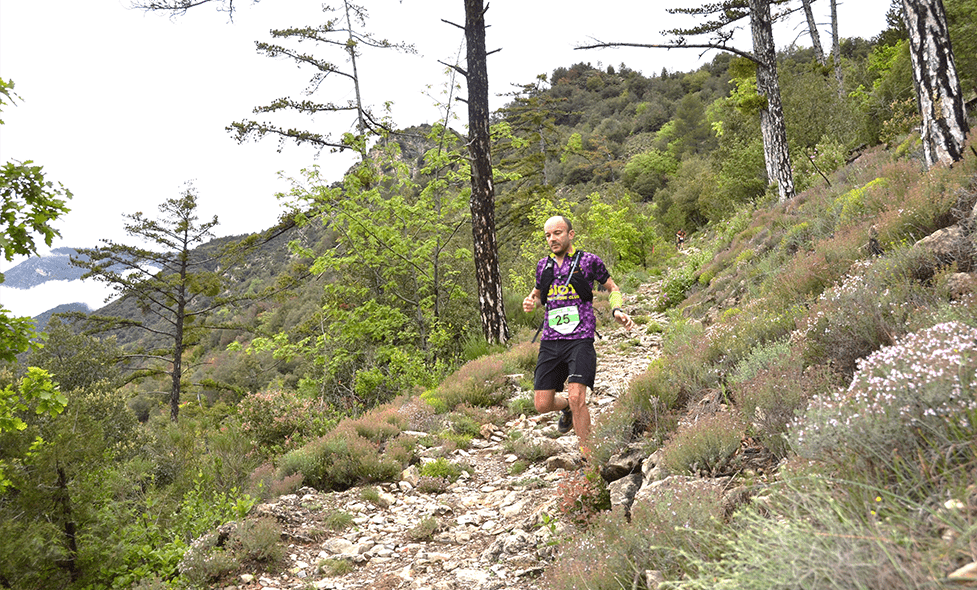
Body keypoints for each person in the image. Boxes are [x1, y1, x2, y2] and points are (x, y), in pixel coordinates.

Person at [522, 215, 634, 456]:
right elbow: (538, 295)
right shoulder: (544, 265)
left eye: (558, 233)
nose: (552, 239)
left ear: (571, 234)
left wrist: (617, 309)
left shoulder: (589, 261)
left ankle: (589, 456)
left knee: (577, 396)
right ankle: (568, 410)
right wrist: (531, 302)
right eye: (548, 235)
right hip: (551, 340)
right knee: (542, 404)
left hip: (580, 338)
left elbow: (613, 288)